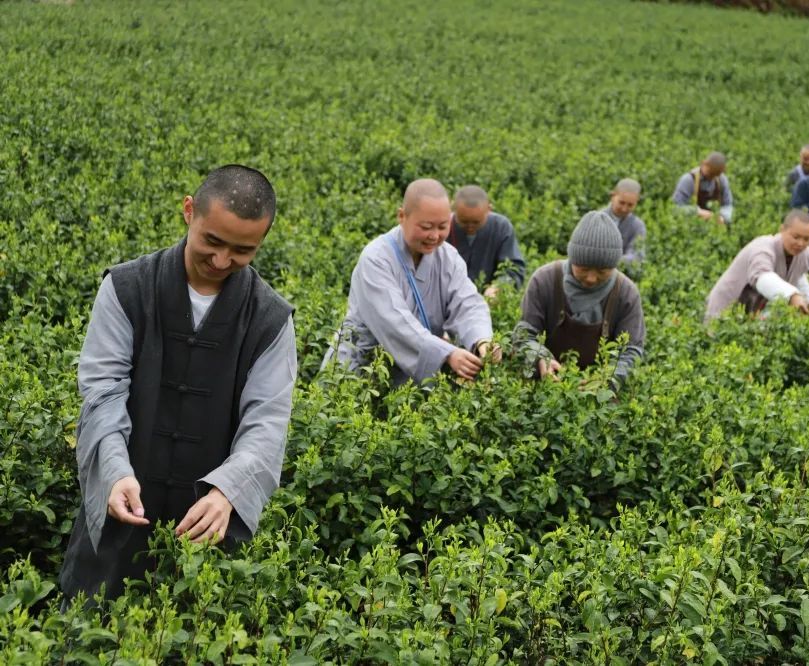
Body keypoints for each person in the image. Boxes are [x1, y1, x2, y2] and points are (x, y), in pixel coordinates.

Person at [60, 165, 297, 603]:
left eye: (243, 250)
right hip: (120, 513)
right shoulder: (127, 288)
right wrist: (113, 473)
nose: (222, 261)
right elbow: (103, 391)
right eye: (212, 241)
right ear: (189, 211)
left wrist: (229, 490)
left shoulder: (271, 319)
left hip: (208, 529)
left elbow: (267, 421)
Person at [333, 179, 498, 385]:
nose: (434, 236)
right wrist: (447, 354)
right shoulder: (376, 259)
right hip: (359, 373)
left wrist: (481, 340)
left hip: (411, 382)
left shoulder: (448, 257)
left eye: (443, 226)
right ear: (402, 216)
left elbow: (467, 303)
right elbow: (395, 323)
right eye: (426, 227)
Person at [513, 210, 644, 389]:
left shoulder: (626, 293)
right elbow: (524, 334)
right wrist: (539, 358)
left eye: (602, 272)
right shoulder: (545, 280)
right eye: (583, 269)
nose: (591, 278)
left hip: (601, 394)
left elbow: (631, 351)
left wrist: (608, 379)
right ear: (572, 258)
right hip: (546, 384)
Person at [705, 209, 809, 321]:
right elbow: (761, 277)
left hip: (753, 311)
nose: (800, 243)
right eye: (796, 237)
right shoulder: (763, 247)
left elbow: (798, 277)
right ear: (782, 230)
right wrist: (792, 296)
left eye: (807, 239)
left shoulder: (804, 253)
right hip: (727, 305)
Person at [447, 185, 525, 299]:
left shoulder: (501, 227)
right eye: (464, 221)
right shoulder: (443, 227)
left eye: (476, 222)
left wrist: (498, 287)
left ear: (489, 209)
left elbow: (514, 268)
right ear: (453, 209)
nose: (470, 227)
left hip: (488, 303)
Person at [672, 152, 734, 226]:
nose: (712, 178)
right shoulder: (689, 180)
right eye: (710, 173)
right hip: (690, 225)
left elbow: (728, 205)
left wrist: (723, 218)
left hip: (715, 227)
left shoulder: (722, 180)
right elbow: (675, 208)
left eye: (716, 175)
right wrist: (697, 212)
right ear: (704, 164)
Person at [603, 178, 647, 275]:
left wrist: (610, 260)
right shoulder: (597, 218)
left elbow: (637, 256)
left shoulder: (637, 226)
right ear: (613, 196)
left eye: (630, 205)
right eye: (621, 202)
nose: (624, 209)